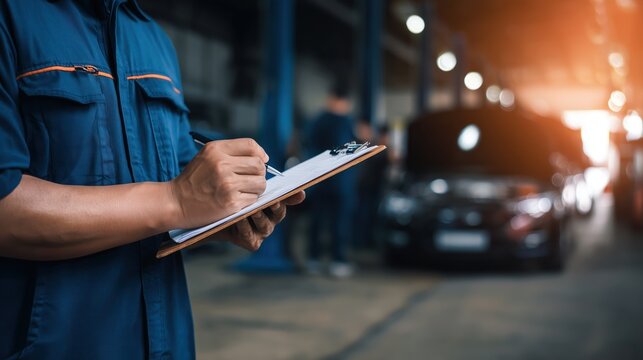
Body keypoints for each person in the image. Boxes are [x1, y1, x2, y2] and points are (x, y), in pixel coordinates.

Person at [0, 1, 304, 359]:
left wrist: (222, 214)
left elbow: (178, 177)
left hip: (166, 343)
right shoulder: (12, 16)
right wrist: (177, 201)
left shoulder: (150, 37)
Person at [304, 82, 356, 278]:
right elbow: (347, 149)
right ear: (343, 101)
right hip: (340, 183)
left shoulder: (317, 121)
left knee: (317, 221)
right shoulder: (344, 122)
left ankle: (313, 259)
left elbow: (308, 143)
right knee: (339, 223)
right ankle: (338, 261)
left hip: (318, 181)